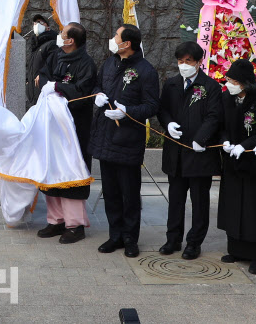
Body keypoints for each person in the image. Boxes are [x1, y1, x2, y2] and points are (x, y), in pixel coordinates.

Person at [88, 24, 159, 258]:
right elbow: (98, 83)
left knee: (129, 193)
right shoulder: (110, 62)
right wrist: (98, 95)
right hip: (106, 136)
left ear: (126, 43)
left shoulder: (145, 70)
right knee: (110, 191)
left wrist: (127, 111)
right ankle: (115, 234)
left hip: (127, 140)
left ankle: (130, 237)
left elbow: (151, 106)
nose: (112, 39)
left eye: (115, 36)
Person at [157, 41, 222, 259]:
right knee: (175, 199)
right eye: (180, 61)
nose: (184, 65)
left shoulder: (210, 87)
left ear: (199, 62)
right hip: (175, 152)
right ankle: (172, 239)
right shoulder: (172, 84)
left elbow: (214, 117)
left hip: (199, 154)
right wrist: (167, 124)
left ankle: (194, 242)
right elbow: (162, 109)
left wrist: (201, 138)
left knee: (199, 201)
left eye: (188, 61)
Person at [36, 22, 96, 243]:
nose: (59, 37)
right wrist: (49, 85)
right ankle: (56, 220)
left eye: (63, 34)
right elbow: (43, 76)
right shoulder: (55, 55)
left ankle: (75, 225)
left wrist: (58, 88)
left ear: (71, 40)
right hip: (51, 126)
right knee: (51, 168)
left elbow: (82, 91)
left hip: (73, 127)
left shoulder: (86, 64)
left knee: (71, 170)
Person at [217, 58, 256, 275]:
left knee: (254, 210)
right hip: (233, 162)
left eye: (232, 80)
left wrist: (245, 145)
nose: (228, 83)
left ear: (244, 83)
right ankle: (236, 249)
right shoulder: (226, 98)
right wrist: (225, 141)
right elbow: (221, 125)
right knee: (234, 206)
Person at [26, 13, 56, 106]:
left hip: (44, 95)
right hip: (33, 96)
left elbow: (52, 66)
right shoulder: (35, 46)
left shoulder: (52, 44)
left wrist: (42, 76)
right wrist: (27, 81)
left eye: (41, 22)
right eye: (35, 22)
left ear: (48, 27)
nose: (37, 25)